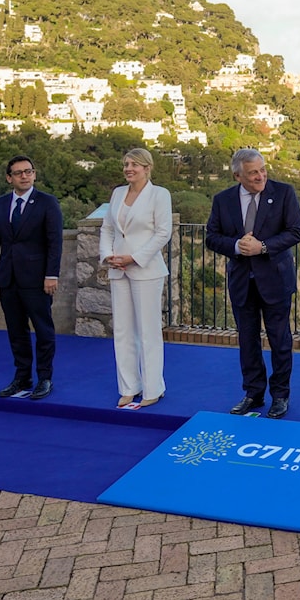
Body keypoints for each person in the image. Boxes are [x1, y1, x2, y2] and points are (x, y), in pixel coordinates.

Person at [206, 148, 300, 419]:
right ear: (238, 175)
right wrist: (237, 245)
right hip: (241, 283)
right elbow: (211, 237)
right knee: (247, 341)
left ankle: (280, 396)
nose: (260, 176)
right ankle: (253, 393)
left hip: (275, 281)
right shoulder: (223, 200)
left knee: (279, 340)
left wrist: (262, 247)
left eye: (262, 170)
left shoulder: (284, 193)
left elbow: (296, 231)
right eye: (253, 173)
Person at [0, 156, 63, 400]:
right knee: (16, 332)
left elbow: (54, 242)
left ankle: (44, 378)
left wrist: (51, 275)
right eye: (18, 173)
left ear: (34, 175)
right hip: (8, 279)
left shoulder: (48, 203)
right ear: (9, 178)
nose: (24, 176)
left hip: (38, 279)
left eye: (28, 171)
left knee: (43, 329)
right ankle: (22, 377)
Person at [99, 148, 172, 408]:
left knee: (148, 330)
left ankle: (153, 387)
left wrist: (134, 258)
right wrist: (108, 255)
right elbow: (107, 228)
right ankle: (129, 386)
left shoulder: (159, 194)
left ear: (147, 168)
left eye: (134, 165)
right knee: (122, 330)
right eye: (126, 164)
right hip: (118, 269)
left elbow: (163, 233)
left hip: (146, 270)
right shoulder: (118, 193)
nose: (129, 168)